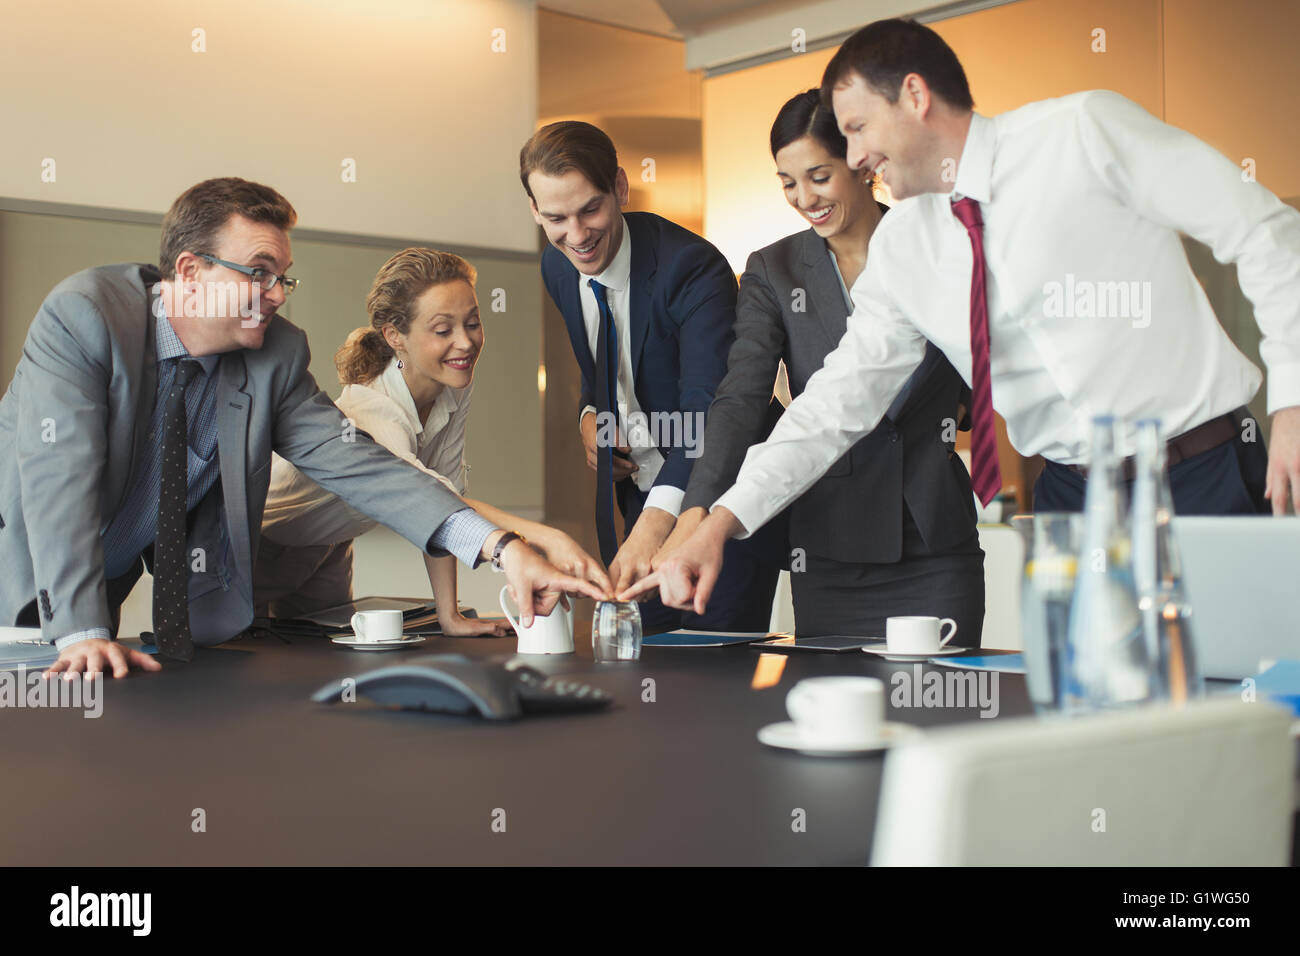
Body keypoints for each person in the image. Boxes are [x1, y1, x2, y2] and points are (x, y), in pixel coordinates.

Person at [623, 18, 1300, 615]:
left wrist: (1294, 402)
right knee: (1096, 726)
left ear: (915, 97)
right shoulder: (905, 248)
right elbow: (833, 405)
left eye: (857, 128)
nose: (854, 156)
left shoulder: (1082, 133)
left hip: (1201, 470)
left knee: (1238, 707)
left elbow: (1263, 229)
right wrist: (722, 521)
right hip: (1071, 502)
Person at [0, 177, 607, 679]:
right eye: (258, 273)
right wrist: (81, 628)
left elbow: (360, 464)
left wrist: (501, 548)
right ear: (190, 271)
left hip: (104, 583)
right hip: (22, 569)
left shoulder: (275, 355)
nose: (275, 296)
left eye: (283, 278)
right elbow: (61, 476)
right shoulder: (85, 316)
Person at [652, 89, 984, 644]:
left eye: (818, 176)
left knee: (937, 713)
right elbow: (741, 399)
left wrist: (965, 402)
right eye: (787, 182)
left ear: (860, 164)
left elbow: (978, 353)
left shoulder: (934, 245)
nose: (804, 197)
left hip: (933, 535)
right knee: (836, 714)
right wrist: (698, 513)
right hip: (832, 540)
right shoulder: (775, 269)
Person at [255, 247, 608, 635]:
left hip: (329, 544)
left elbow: (446, 491)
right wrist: (545, 538)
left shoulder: (453, 385)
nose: (466, 343)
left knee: (323, 655)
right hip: (262, 548)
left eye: (472, 323)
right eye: (443, 330)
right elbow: (425, 498)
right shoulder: (375, 410)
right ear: (394, 336)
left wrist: (449, 616)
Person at [520, 121, 784, 633]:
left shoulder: (692, 268)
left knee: (712, 681)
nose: (576, 236)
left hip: (717, 502)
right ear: (535, 210)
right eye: (556, 218)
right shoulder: (558, 267)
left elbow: (708, 412)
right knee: (647, 666)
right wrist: (590, 414)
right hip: (643, 495)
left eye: (590, 209)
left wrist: (651, 532)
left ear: (619, 187)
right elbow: (601, 360)